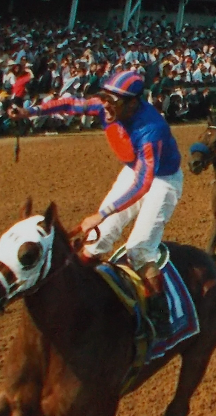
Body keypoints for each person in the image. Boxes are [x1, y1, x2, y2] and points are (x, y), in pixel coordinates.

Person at [18, 68, 183, 302]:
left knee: (139, 249)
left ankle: (159, 312)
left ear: (133, 103)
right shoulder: (106, 108)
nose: (105, 106)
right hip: (134, 169)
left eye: (112, 101)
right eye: (104, 98)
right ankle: (76, 295)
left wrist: (101, 213)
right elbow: (70, 104)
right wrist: (30, 111)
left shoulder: (151, 129)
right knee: (99, 237)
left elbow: (143, 184)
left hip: (162, 180)